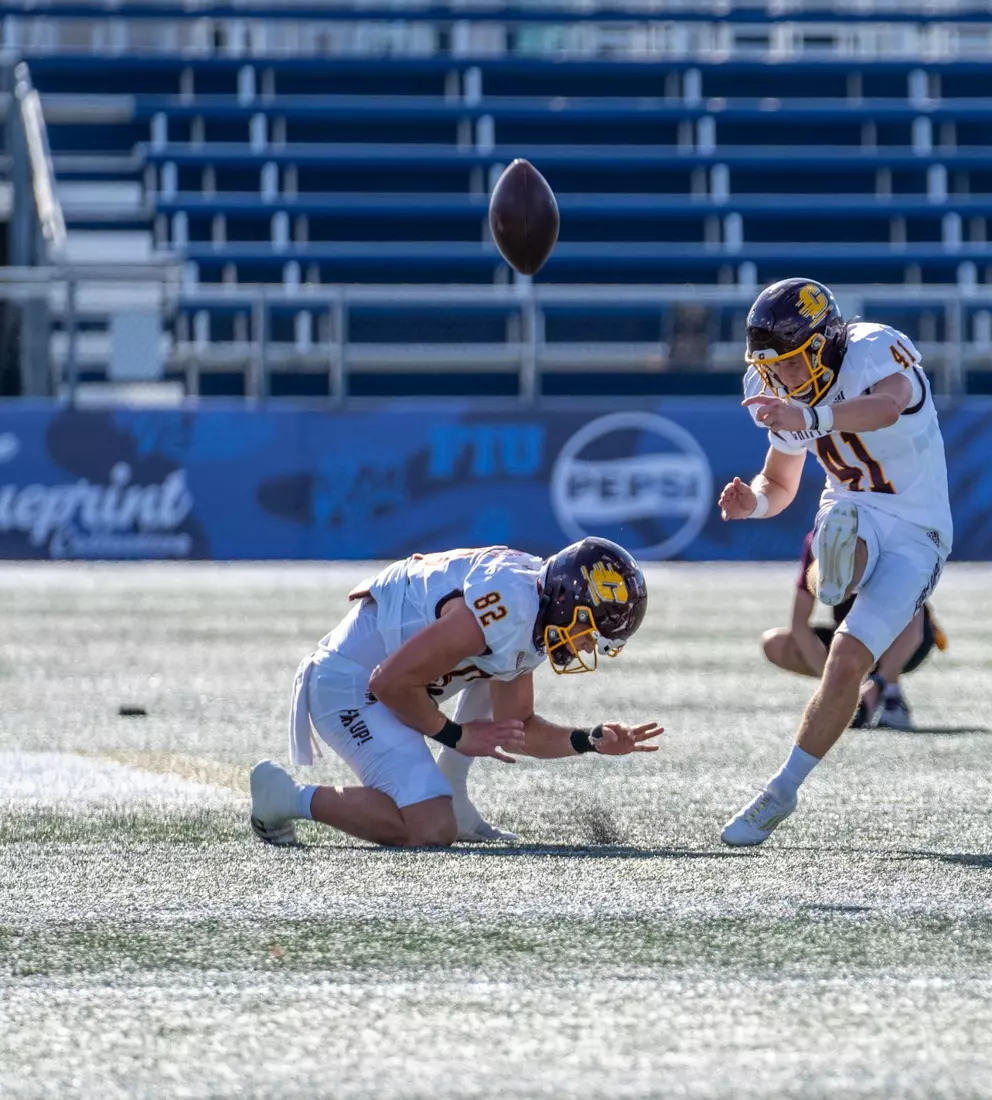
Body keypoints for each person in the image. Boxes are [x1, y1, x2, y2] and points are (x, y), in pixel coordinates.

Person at [718, 277, 951, 845]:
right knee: (844, 526)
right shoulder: (779, 388)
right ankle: (781, 792)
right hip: (852, 507)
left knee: (847, 659)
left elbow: (887, 407)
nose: (781, 379)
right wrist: (754, 504)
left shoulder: (873, 350)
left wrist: (811, 418)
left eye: (792, 363)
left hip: (919, 529)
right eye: (772, 366)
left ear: (823, 343)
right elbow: (780, 480)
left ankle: (783, 789)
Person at [248, 540, 663, 848]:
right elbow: (388, 683)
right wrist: (458, 735)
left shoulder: (535, 607)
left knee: (496, 664)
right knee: (429, 828)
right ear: (568, 600)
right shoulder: (507, 607)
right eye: (589, 631)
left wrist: (590, 740)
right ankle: (285, 799)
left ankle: (454, 795)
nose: (589, 646)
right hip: (349, 686)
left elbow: (518, 727)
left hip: (398, 685)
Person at [761, 527, 947, 730]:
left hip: (903, 640)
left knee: (904, 618)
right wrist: (835, 686)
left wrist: (878, 683)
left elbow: (915, 626)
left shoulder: (887, 536)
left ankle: (889, 693)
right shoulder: (818, 542)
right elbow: (799, 623)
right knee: (775, 643)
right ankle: (853, 693)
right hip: (853, 637)